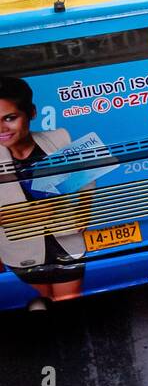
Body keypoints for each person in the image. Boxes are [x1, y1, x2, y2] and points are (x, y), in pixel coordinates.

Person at [0, 75, 86, 301]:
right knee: (45, 301)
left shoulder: (58, 138)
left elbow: (87, 178)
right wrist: (33, 213)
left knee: (66, 302)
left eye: (10, 118)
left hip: (66, 243)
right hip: (21, 252)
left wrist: (84, 212)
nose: (1, 128)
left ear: (31, 113)